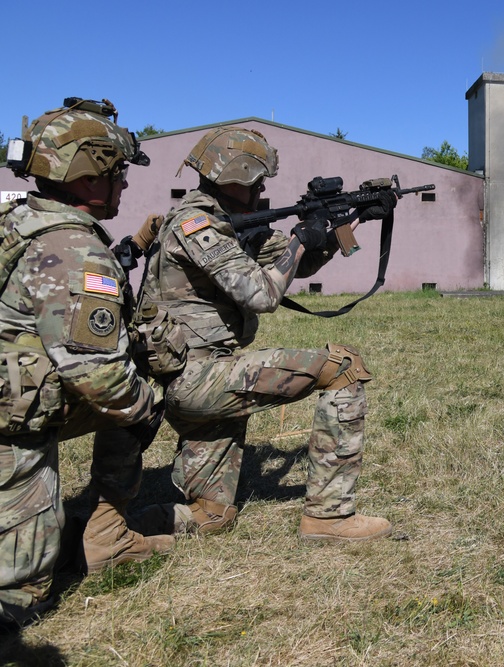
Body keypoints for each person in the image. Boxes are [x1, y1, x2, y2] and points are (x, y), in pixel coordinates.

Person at [131, 126, 396, 542]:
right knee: (343, 368)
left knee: (210, 517)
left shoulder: (229, 223)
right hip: (199, 379)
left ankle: (117, 526)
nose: (261, 190)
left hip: (202, 379)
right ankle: (329, 518)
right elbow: (262, 293)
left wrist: (346, 220)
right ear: (235, 179)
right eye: (257, 183)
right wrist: (299, 237)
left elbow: (298, 266)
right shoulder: (198, 225)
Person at [0, 99, 173, 627]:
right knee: (23, 591)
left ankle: (103, 534)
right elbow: (97, 375)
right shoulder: (73, 246)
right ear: (87, 173)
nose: (123, 184)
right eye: (117, 172)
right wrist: (146, 409)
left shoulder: (18, 218)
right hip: (12, 419)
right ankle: (89, 546)